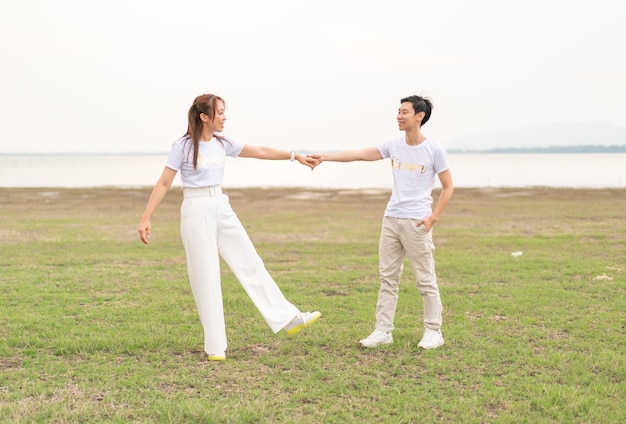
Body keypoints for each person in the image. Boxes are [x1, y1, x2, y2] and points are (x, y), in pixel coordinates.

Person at [138, 94, 321, 361]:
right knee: (205, 276)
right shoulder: (182, 146)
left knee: (251, 261)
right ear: (204, 116)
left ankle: (289, 318)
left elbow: (259, 151)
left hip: (220, 205)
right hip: (195, 208)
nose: (224, 117)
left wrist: (295, 156)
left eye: (224, 112)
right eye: (220, 112)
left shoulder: (224, 142)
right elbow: (165, 182)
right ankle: (215, 348)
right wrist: (146, 217)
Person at [309, 95, 453, 350]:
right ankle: (383, 331)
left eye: (404, 112)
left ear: (419, 116)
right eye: (398, 111)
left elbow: (448, 186)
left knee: (425, 279)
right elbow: (360, 154)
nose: (399, 116)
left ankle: (434, 331)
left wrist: (434, 217)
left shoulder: (434, 150)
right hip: (391, 219)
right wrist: (326, 157)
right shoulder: (394, 145)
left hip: (417, 223)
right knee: (388, 278)